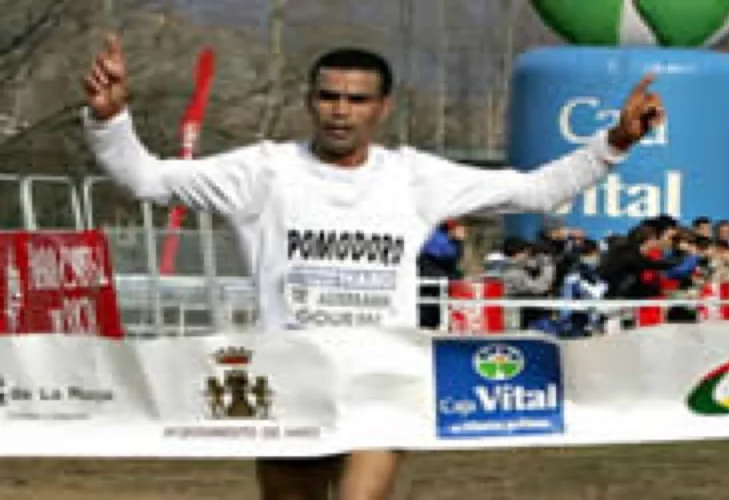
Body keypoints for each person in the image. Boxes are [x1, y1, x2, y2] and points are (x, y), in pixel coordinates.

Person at [82, 33, 665, 500]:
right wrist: (109, 121)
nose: (341, 111)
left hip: (380, 381)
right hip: (289, 376)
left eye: (357, 100)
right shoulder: (262, 171)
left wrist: (614, 141)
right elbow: (146, 179)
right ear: (310, 102)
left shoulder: (414, 176)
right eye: (329, 97)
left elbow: (536, 190)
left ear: (382, 108)